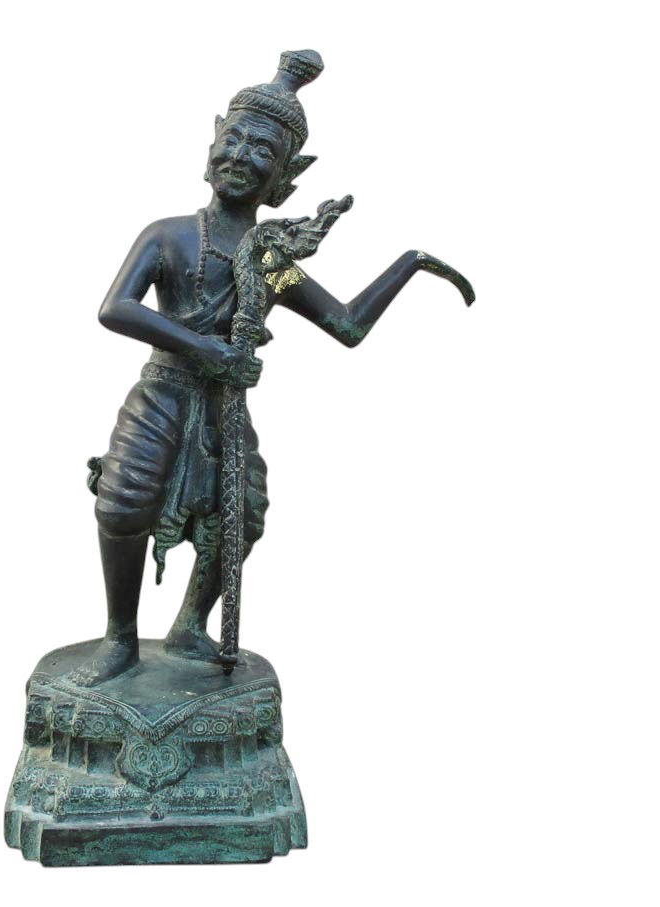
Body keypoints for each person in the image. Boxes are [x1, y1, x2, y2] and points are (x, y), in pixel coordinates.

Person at [73, 50, 474, 686]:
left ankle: (189, 626)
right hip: (162, 395)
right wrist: (205, 349)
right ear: (211, 143)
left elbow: (346, 325)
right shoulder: (169, 235)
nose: (241, 156)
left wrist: (409, 263)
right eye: (233, 139)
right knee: (124, 503)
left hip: (223, 409)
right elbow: (115, 308)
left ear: (285, 176)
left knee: (242, 514)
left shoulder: (271, 262)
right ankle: (120, 636)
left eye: (262, 150)